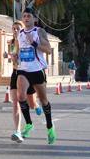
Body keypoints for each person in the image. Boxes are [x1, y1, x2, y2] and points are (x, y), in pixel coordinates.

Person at [11, 9, 56, 145]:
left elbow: (48, 50)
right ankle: (29, 124)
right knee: (20, 97)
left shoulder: (39, 32)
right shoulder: (20, 34)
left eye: (28, 16)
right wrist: (14, 56)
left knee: (43, 100)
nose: (26, 18)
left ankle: (50, 127)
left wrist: (34, 43)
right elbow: (17, 51)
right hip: (23, 70)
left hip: (37, 70)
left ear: (34, 19)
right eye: (24, 16)